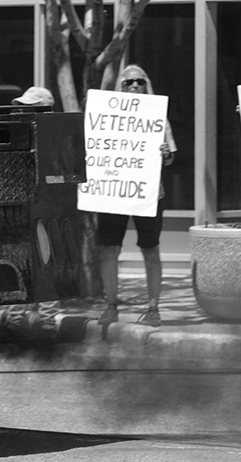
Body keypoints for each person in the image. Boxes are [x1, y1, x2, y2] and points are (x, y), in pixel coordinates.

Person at [96, 65, 175, 327]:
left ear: (146, 85)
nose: (134, 86)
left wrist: (165, 153)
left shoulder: (158, 119)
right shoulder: (106, 117)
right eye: (129, 82)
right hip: (114, 192)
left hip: (149, 192)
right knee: (109, 249)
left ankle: (153, 308)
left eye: (140, 81)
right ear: (121, 87)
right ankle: (110, 306)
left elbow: (170, 158)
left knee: (150, 249)